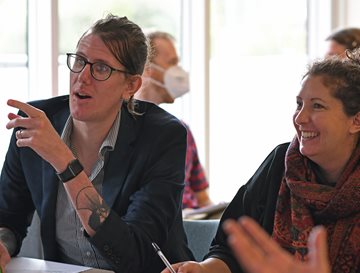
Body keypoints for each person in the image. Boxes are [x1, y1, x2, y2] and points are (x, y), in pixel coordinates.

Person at [0, 14, 194, 273]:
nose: (82, 77)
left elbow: (135, 256)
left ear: (131, 85)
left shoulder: (164, 137)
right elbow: (9, 218)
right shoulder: (35, 124)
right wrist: (2, 243)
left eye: (101, 68)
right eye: (79, 61)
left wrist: (64, 162)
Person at [161, 49, 360, 272]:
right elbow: (227, 252)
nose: (300, 118)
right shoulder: (281, 163)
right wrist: (203, 269)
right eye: (298, 104)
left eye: (317, 106)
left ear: (356, 120)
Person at [135, 31, 213, 210]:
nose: (179, 71)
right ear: (147, 70)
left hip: (193, 226)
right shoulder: (123, 132)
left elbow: (203, 198)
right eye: (172, 63)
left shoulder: (182, 130)